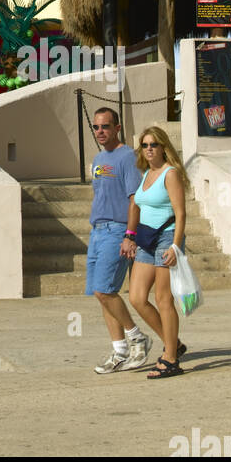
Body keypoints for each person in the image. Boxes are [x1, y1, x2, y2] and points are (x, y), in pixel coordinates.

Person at [87, 108, 152, 374]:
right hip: (98, 230)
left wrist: (129, 235)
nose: (100, 131)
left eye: (105, 126)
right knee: (102, 295)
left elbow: (134, 200)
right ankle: (120, 351)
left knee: (105, 290)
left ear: (117, 127)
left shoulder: (127, 158)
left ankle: (137, 337)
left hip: (117, 230)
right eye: (96, 127)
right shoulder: (98, 158)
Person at [125, 127, 190, 380]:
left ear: (164, 147)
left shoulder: (169, 174)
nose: (149, 149)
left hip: (166, 237)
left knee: (163, 299)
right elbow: (138, 205)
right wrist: (130, 237)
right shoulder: (146, 174)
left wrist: (175, 246)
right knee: (137, 297)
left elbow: (181, 213)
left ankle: (171, 359)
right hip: (146, 238)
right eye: (145, 145)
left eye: (154, 144)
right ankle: (172, 342)